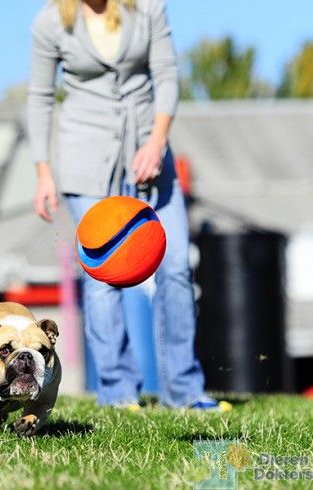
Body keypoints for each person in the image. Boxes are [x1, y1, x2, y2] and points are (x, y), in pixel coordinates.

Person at [27, 0, 229, 410]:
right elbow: (40, 98)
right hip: (85, 161)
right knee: (103, 276)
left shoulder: (148, 8)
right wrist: (43, 172)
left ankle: (184, 391)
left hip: (148, 156)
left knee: (176, 265)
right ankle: (118, 392)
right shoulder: (50, 22)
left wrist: (157, 142)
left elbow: (167, 76)